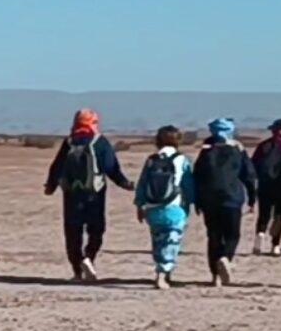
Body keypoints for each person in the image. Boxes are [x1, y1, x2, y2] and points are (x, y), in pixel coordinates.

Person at [44, 108, 133, 282]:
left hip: (71, 194)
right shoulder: (99, 142)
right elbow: (112, 168)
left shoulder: (69, 142)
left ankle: (77, 271)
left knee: (72, 232)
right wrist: (125, 184)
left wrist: (51, 186)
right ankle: (88, 258)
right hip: (94, 194)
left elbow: (57, 166)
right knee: (96, 230)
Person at [193, 118, 257, 286]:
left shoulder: (206, 150)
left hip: (209, 200)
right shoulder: (237, 149)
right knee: (232, 234)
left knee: (214, 236)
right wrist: (252, 198)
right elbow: (249, 175)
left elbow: (197, 177)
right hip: (232, 198)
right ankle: (225, 258)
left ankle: (215, 276)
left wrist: (198, 201)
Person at [134, 125, 195, 290]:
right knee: (171, 241)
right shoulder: (181, 160)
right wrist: (191, 204)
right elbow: (188, 185)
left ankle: (163, 272)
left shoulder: (151, 160)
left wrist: (140, 205)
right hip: (174, 208)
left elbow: (142, 184)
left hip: (153, 208)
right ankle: (163, 273)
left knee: (158, 241)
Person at [251, 118, 281, 255]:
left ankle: (259, 239)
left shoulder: (263, 145)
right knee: (279, 216)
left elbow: (253, 164)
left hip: (264, 185)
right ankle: (275, 246)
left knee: (263, 214)